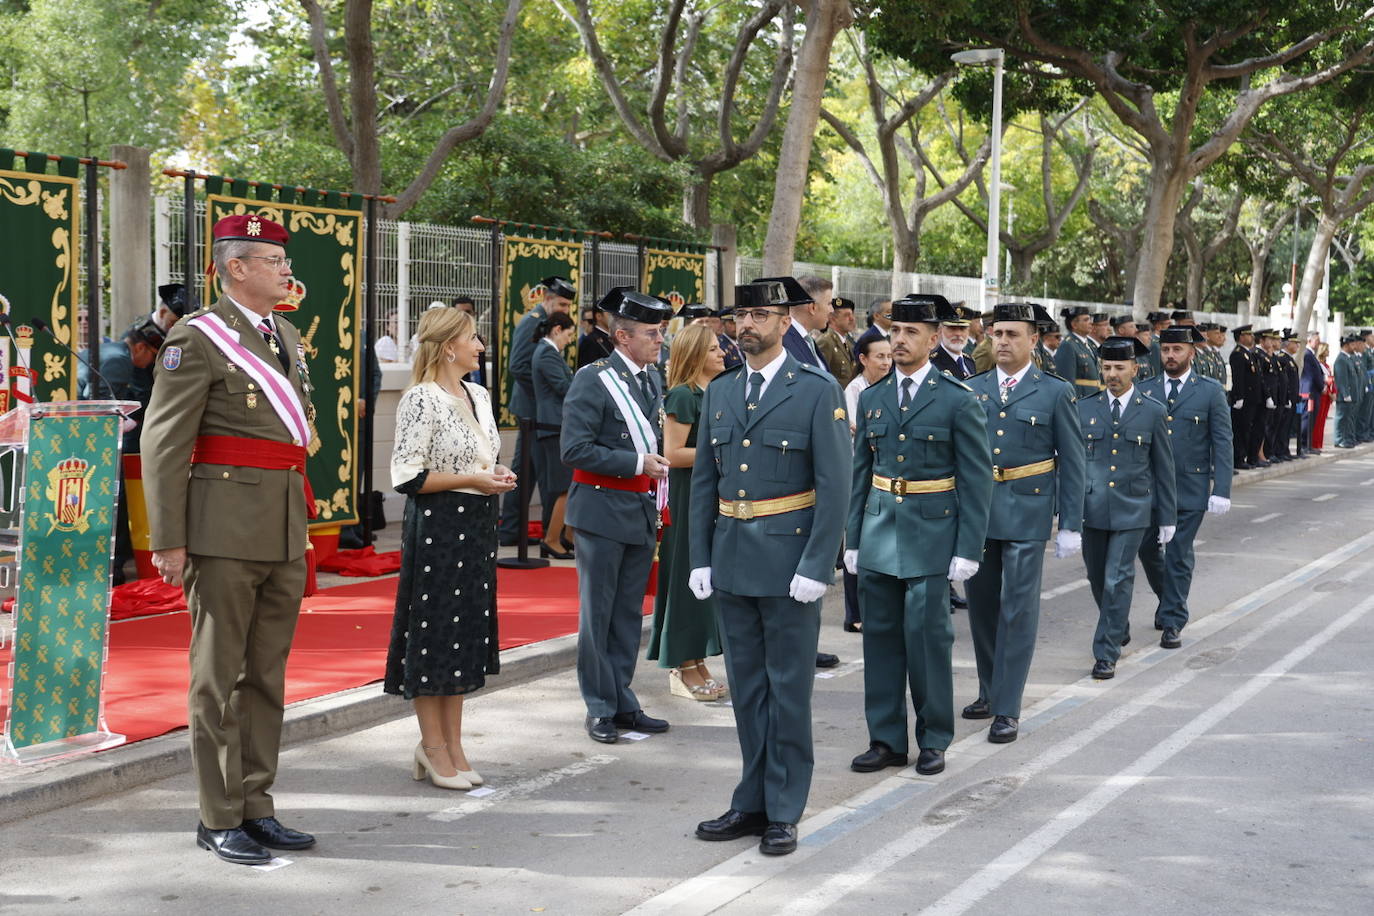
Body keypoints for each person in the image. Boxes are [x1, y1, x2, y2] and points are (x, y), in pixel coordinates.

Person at [142, 213, 317, 865]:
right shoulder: (199, 338)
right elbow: (164, 441)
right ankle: (217, 816)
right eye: (272, 260)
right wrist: (170, 537)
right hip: (220, 530)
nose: (284, 270)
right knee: (216, 678)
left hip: (281, 527)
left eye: (282, 260)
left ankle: (255, 805)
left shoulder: (286, 335)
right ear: (235, 267)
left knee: (265, 675)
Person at [688, 277, 850, 857]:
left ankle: (784, 808)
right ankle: (750, 800)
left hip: (788, 562)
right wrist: (700, 557)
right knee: (748, 690)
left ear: (786, 322)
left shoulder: (814, 389)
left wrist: (817, 563)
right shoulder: (721, 391)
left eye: (760, 315)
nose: (747, 324)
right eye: (741, 315)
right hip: (732, 558)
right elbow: (705, 480)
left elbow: (835, 486)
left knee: (787, 690)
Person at [843, 294, 992, 777]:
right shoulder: (872, 397)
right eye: (895, 332)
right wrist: (853, 538)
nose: (900, 341)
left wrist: (968, 548)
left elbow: (976, 478)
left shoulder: (957, 399)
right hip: (881, 530)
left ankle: (933, 738)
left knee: (928, 642)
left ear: (933, 339)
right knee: (881, 641)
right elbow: (860, 472)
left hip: (933, 534)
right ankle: (886, 739)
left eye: (910, 333)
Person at [386, 307, 512, 793]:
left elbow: (483, 458)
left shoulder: (479, 394)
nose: (480, 346)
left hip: (478, 526)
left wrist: (493, 476)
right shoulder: (420, 399)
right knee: (435, 634)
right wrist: (475, 479)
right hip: (438, 528)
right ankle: (432, 746)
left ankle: (454, 746)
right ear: (447, 348)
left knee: (463, 637)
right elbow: (409, 476)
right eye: (472, 338)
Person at [963, 303, 1086, 744]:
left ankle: (1008, 706)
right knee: (981, 607)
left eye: (1013, 335)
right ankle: (989, 690)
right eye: (997, 334)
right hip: (978, 511)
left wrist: (1070, 521)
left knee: (1018, 608)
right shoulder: (971, 388)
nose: (1002, 342)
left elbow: (1073, 460)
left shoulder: (1054, 391)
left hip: (1028, 511)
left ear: (1033, 340)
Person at [561, 287, 674, 745]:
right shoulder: (594, 378)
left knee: (628, 614)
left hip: (639, 510)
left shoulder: (651, 379)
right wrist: (635, 464)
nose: (660, 340)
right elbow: (574, 448)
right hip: (602, 508)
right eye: (652, 332)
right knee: (598, 615)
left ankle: (623, 698)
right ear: (623, 337)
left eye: (661, 332)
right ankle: (599, 706)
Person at [1077, 336, 1176, 680]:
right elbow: (1072, 467)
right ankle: (1118, 624)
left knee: (1118, 577)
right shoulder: (1084, 408)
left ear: (1135, 369)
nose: (1113, 374)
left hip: (1133, 508)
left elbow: (1163, 468)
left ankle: (1106, 652)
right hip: (1092, 508)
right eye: (1107, 367)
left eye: (1120, 367)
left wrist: (1167, 517)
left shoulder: (1152, 411)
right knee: (1096, 576)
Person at [1136, 326, 1232, 650]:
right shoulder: (1145, 389)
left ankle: (1173, 619)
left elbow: (1222, 440)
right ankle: (1168, 601)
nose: (1170, 356)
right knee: (1147, 549)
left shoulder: (1209, 391)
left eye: (1177, 350)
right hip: (1150, 488)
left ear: (1191, 352)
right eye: (1165, 350)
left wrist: (1222, 488)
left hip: (1189, 487)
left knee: (1178, 553)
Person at [648, 323, 728, 701]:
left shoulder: (716, 391)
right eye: (713, 349)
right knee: (685, 578)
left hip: (713, 496)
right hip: (689, 497)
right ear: (696, 354)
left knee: (706, 582)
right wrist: (724, 453)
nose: (722, 354)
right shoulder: (683, 395)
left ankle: (697, 659)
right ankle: (682, 664)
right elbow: (674, 454)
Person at [500, 275, 576, 546]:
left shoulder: (547, 326)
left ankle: (514, 529)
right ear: (546, 300)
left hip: (539, 411)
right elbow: (518, 366)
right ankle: (543, 532)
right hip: (534, 410)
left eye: (568, 307)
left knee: (530, 470)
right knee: (542, 472)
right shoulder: (532, 322)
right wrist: (544, 396)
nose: (564, 311)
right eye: (561, 304)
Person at [841, 335, 894, 633]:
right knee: (856, 541)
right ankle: (854, 613)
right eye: (880, 357)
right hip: (859, 473)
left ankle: (876, 607)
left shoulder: (889, 386)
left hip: (884, 474)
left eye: (889, 356)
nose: (886, 362)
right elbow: (856, 431)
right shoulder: (855, 390)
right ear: (863, 359)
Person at [532, 310, 578, 559]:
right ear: (557, 330)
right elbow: (563, 387)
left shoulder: (549, 352)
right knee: (565, 486)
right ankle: (551, 539)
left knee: (570, 484)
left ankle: (567, 536)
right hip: (553, 425)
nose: (569, 340)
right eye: (568, 334)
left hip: (557, 425)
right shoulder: (547, 353)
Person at [1229, 325, 1263, 469]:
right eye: (1248, 335)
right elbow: (1239, 378)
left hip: (1252, 399)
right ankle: (1238, 459)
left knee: (1248, 429)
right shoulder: (1238, 353)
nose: (1252, 337)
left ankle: (1247, 457)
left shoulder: (1248, 354)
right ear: (1241, 337)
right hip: (1244, 400)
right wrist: (1239, 397)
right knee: (1241, 430)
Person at [1055, 306, 1102, 400]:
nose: (1091, 323)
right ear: (1074, 325)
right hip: (1080, 401)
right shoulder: (1068, 345)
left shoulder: (1090, 345)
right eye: (1086, 320)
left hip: (1093, 398)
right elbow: (1066, 382)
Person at [816, 295, 859, 386]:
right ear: (832, 318)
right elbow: (820, 377)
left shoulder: (848, 343)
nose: (852, 319)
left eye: (852, 314)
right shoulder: (826, 342)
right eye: (847, 315)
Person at [929, 303, 979, 379]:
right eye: (952, 328)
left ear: (968, 331)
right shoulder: (933, 363)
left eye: (962, 329)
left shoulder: (970, 361)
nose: (958, 334)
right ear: (940, 330)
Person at [1333, 335, 1361, 448]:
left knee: (1349, 418)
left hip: (1352, 394)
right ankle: (1339, 439)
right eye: (1352, 344)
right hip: (1345, 395)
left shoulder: (1348, 358)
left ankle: (1348, 438)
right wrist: (1345, 394)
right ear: (1346, 345)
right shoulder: (1341, 359)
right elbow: (1341, 378)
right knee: (1341, 418)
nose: (1354, 346)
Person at [1300, 332, 1325, 454]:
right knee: (1306, 419)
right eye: (1316, 340)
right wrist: (1321, 386)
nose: (1318, 343)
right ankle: (1304, 445)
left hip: (1315, 391)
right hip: (1309, 391)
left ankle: (1308, 445)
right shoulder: (1307, 354)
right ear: (1309, 341)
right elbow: (1311, 375)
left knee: (1312, 419)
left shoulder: (1312, 355)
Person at [578, 303, 616, 370]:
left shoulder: (612, 337)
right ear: (598, 316)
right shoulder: (590, 340)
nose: (613, 317)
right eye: (609, 314)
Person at [1313, 341, 1334, 451]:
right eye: (1326, 350)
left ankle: (1319, 444)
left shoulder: (1327, 365)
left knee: (1322, 421)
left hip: (1327, 396)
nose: (1328, 352)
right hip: (1322, 394)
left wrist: (1333, 392)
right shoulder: (1318, 364)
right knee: (1318, 420)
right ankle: (1315, 443)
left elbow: (1331, 379)